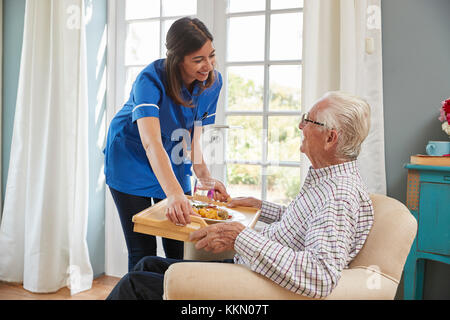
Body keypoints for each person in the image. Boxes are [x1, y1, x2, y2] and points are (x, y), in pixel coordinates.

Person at [106, 91, 374, 300]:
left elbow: (319, 275)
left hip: (252, 284)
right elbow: (305, 223)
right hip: (248, 268)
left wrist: (239, 236)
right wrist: (261, 206)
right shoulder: (329, 182)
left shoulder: (339, 196)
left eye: (309, 120)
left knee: (134, 285)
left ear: (330, 138)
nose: (301, 125)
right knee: (146, 264)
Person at [104, 17, 229, 271]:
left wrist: (205, 179)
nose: (208, 66)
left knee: (179, 241)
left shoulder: (212, 83)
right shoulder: (149, 80)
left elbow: (192, 134)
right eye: (198, 60)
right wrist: (173, 193)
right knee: (142, 249)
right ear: (178, 58)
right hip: (130, 156)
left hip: (172, 155)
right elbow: (150, 143)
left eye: (211, 55)